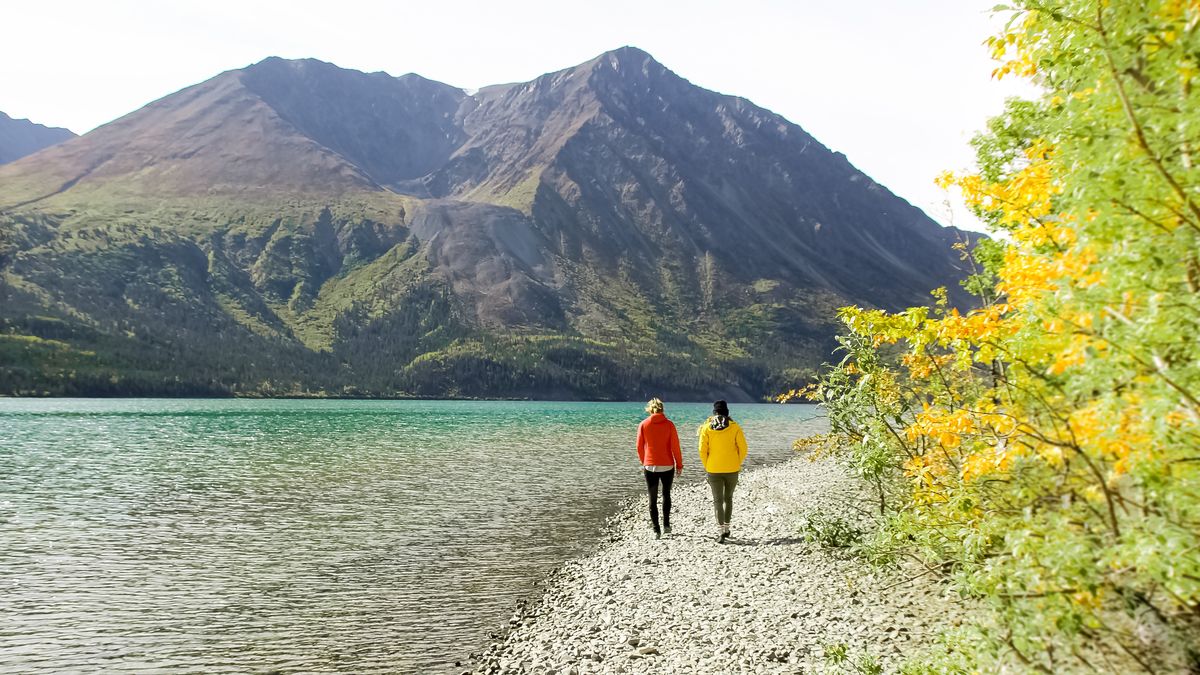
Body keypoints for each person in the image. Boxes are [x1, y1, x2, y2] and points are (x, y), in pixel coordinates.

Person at [698, 400, 747, 543]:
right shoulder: (735, 427)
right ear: (727, 413)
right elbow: (743, 448)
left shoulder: (706, 428)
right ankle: (726, 528)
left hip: (713, 469)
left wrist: (707, 465)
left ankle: (720, 531)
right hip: (732, 468)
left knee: (717, 500)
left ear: (714, 413)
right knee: (728, 498)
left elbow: (702, 450)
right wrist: (737, 461)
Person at [636, 397, 683, 539]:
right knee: (666, 495)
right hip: (667, 465)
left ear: (649, 410)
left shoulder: (643, 424)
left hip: (650, 465)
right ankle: (666, 525)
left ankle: (656, 530)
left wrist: (644, 461)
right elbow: (675, 447)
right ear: (662, 409)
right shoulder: (669, 425)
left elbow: (639, 447)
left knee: (652, 497)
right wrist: (679, 464)